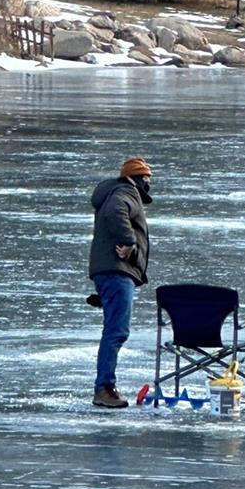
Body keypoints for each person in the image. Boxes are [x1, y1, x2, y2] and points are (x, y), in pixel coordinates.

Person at [88, 157, 153, 408]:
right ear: (132, 178)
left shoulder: (117, 191)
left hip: (110, 272)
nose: (147, 184)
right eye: (144, 179)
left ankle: (104, 386)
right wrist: (129, 242)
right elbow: (117, 211)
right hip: (117, 272)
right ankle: (104, 388)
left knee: (114, 330)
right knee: (116, 332)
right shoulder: (125, 192)